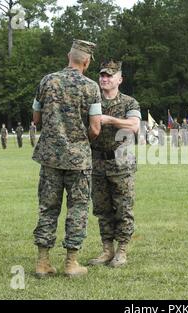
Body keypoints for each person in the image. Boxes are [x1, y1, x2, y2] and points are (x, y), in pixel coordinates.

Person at [31, 40, 102, 278]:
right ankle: (71, 263)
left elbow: (36, 118)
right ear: (87, 61)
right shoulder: (91, 87)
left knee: (48, 208)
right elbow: (95, 128)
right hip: (78, 158)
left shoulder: (47, 81)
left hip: (50, 157)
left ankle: (43, 262)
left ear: (68, 56)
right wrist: (81, 141)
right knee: (78, 208)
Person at [88, 60, 141, 268]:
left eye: (110, 76)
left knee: (123, 208)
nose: (105, 79)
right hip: (97, 163)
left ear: (120, 79)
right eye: (102, 75)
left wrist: (109, 120)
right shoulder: (92, 101)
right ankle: (107, 249)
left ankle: (122, 250)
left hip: (121, 165)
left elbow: (135, 125)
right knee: (102, 209)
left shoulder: (129, 102)